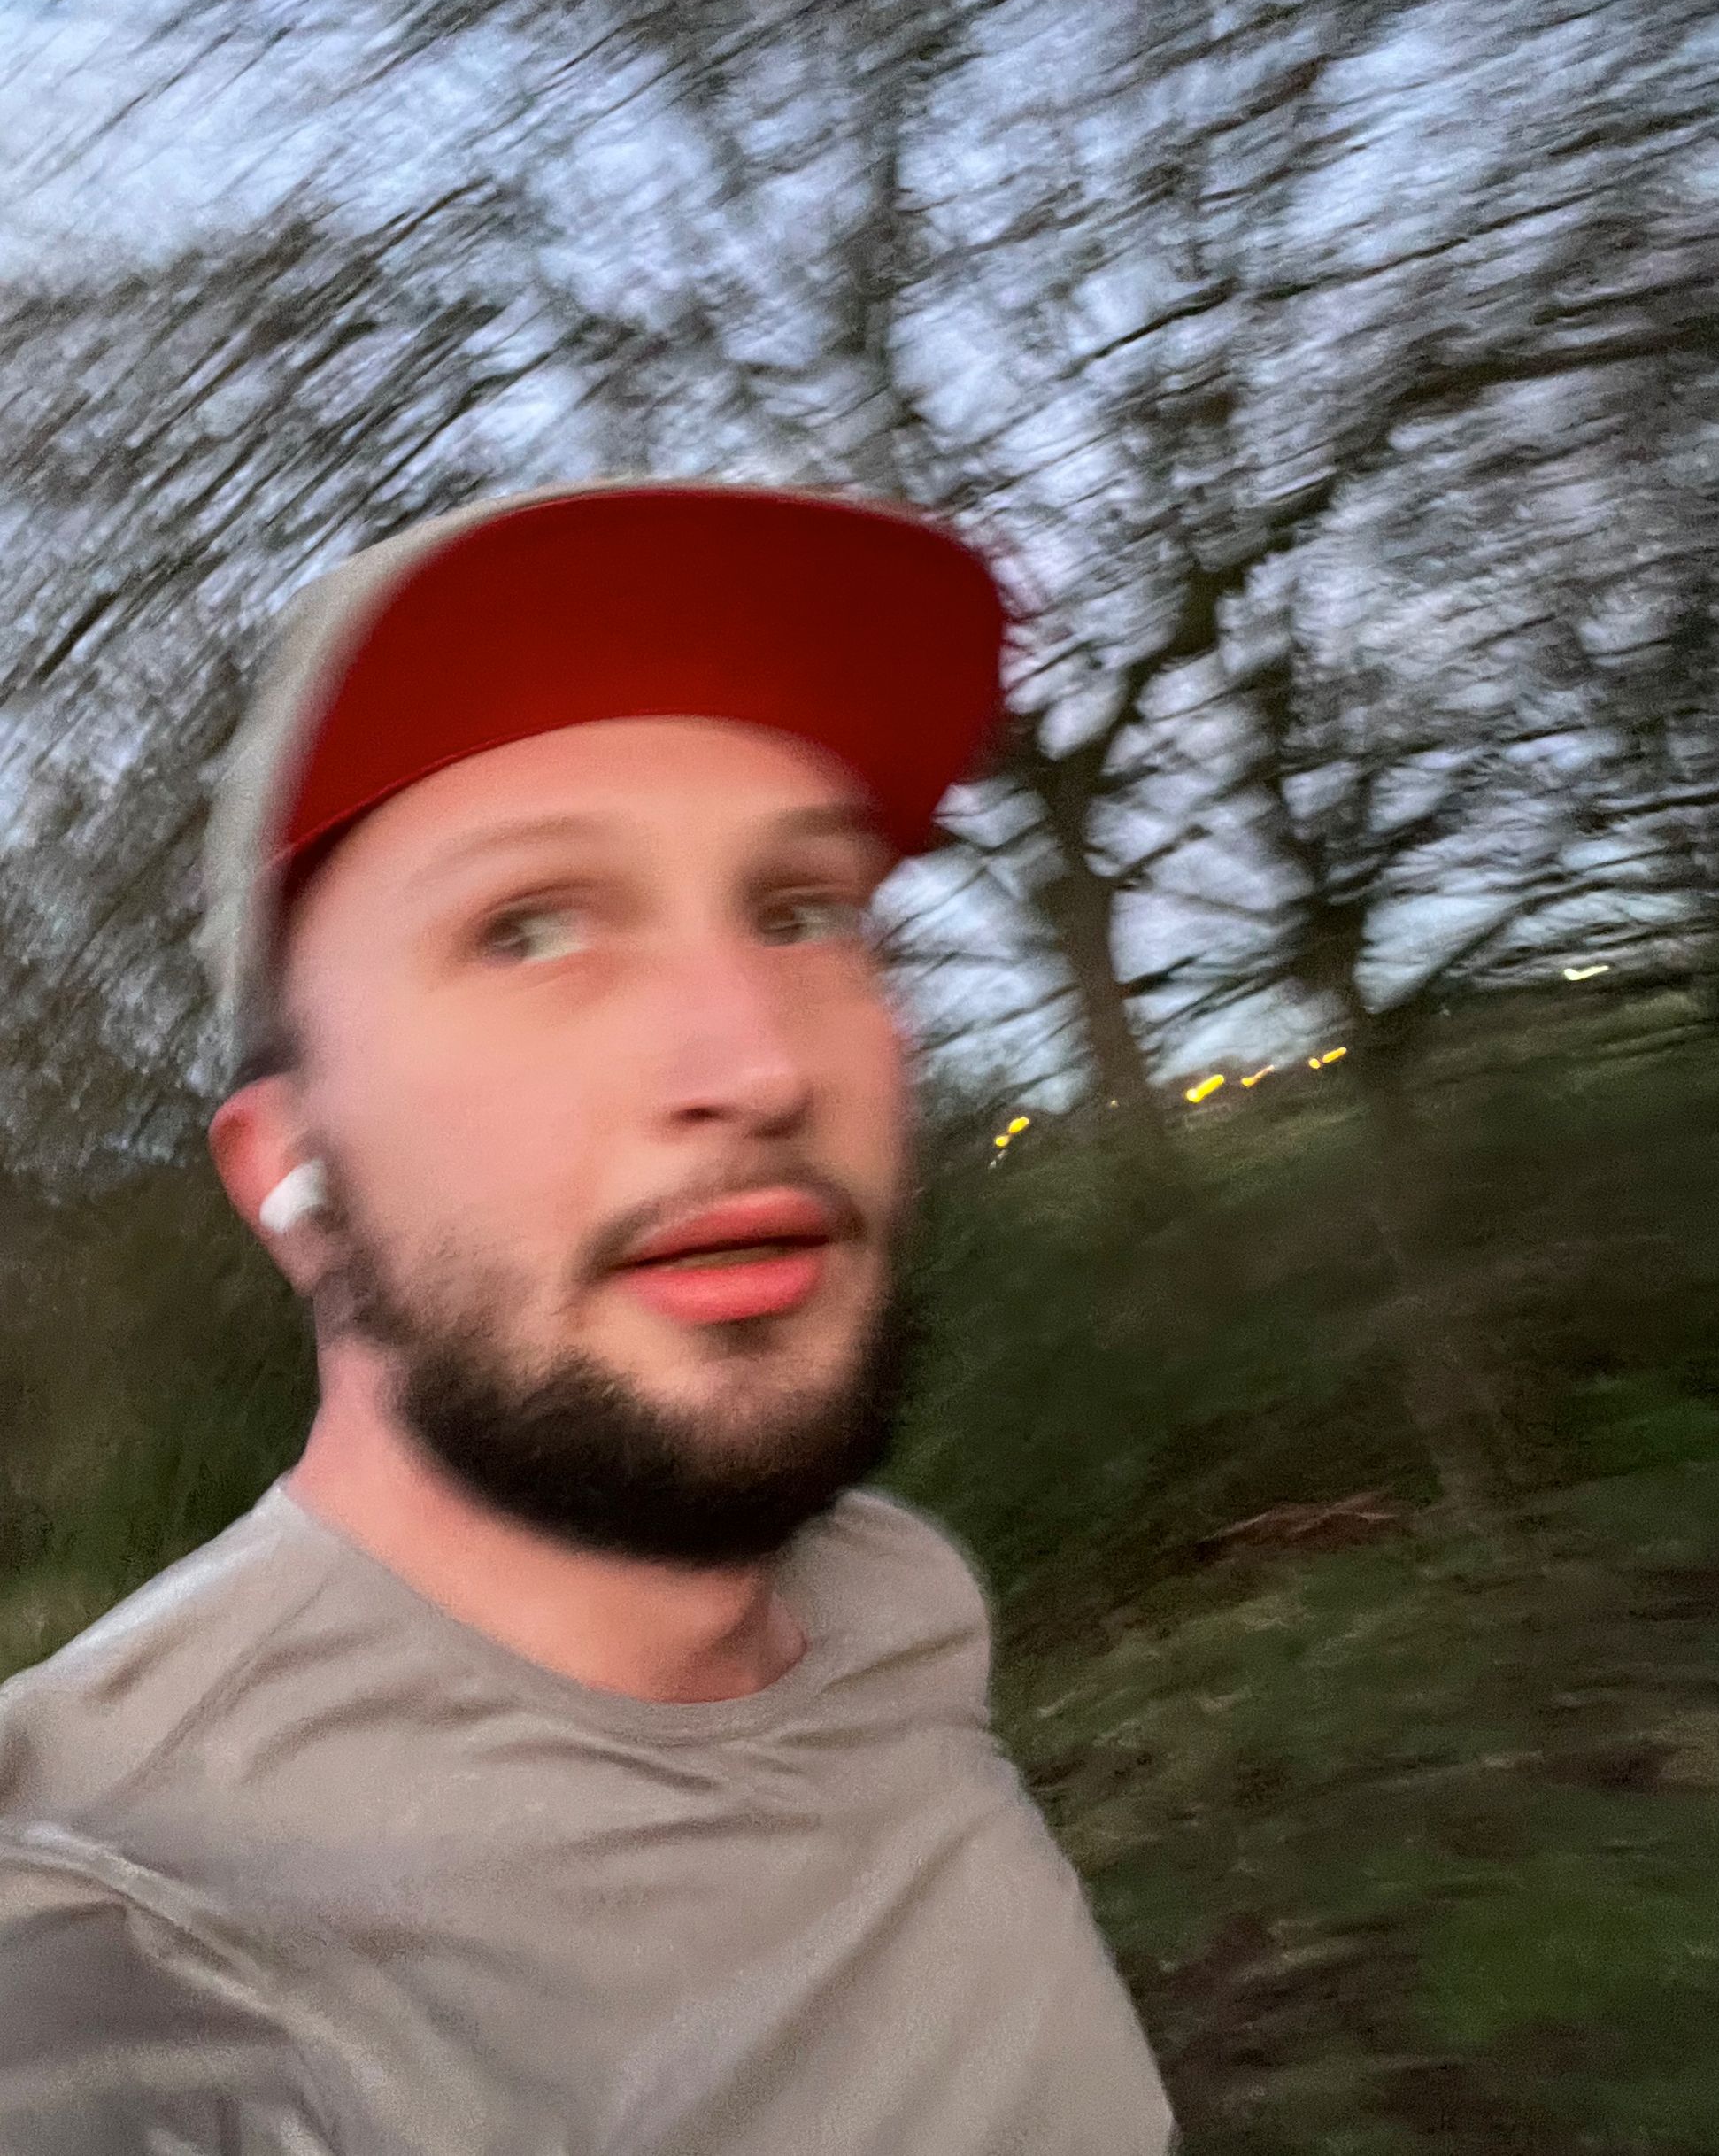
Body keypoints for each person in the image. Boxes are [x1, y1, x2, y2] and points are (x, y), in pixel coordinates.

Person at [0, 482, 1178, 2155]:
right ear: (291, 1175)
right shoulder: (141, 1931)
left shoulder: (893, 1609)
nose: (758, 1067)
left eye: (802, 913)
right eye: (531, 927)